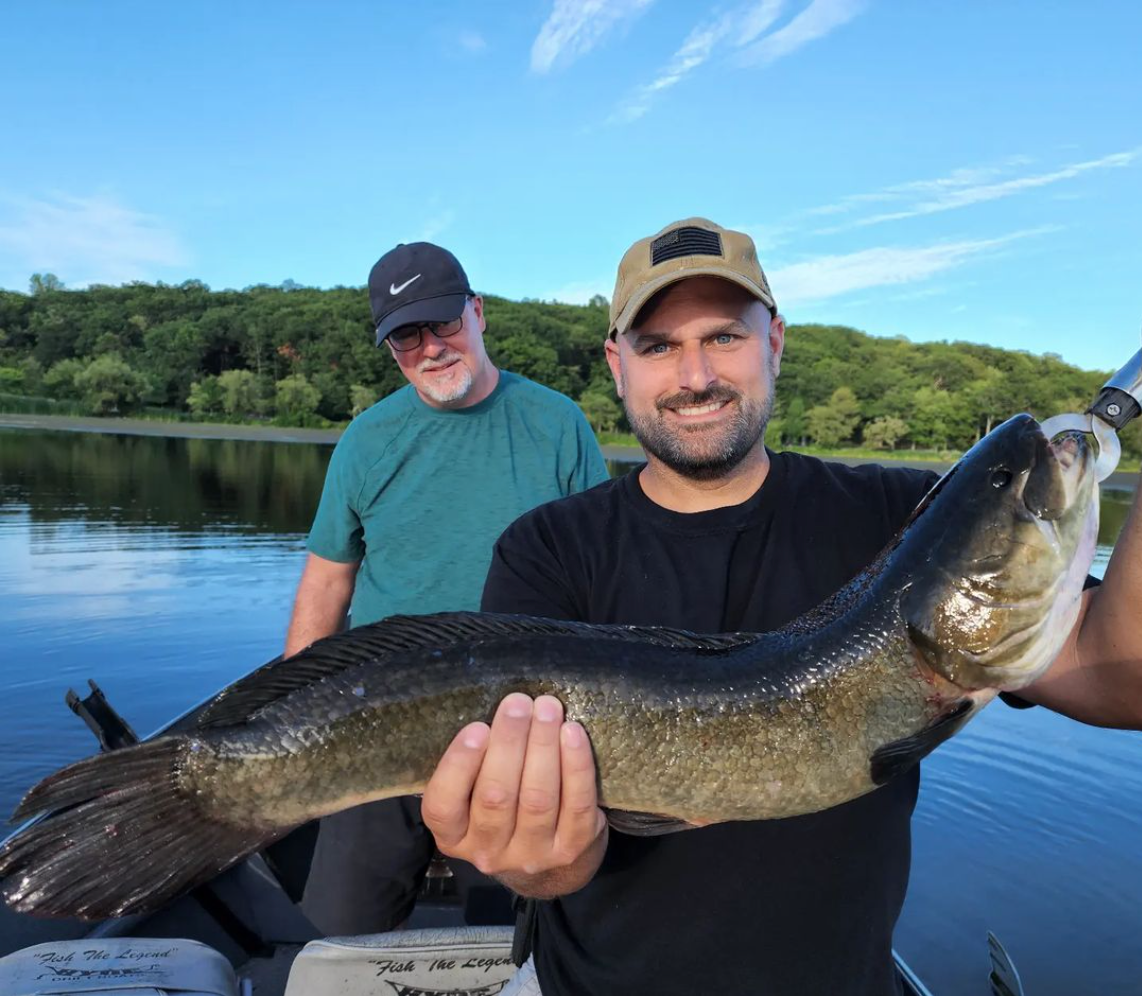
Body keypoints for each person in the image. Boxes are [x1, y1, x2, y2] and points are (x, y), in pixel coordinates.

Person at [418, 218, 1142, 995]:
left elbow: (1119, 679)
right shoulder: (549, 549)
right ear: (616, 364)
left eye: (725, 336)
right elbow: (554, 865)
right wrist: (540, 858)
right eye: (659, 345)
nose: (695, 374)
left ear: (776, 341)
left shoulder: (901, 518)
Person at [289, 240, 609, 935]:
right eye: (407, 336)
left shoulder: (558, 425)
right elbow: (327, 582)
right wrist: (294, 721)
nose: (431, 348)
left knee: (516, 937)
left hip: (521, 725)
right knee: (331, 933)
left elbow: (602, 585)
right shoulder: (367, 441)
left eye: (443, 323)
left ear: (479, 313)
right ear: (389, 346)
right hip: (375, 717)